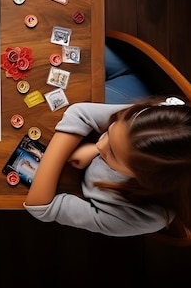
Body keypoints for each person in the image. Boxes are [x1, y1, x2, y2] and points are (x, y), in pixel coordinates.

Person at [24, 97, 191, 239]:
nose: (101, 144)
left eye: (112, 153)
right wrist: (95, 149)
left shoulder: (143, 218)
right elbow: (80, 112)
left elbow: (40, 207)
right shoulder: (146, 125)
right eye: (109, 133)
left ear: (145, 177)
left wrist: (55, 154)